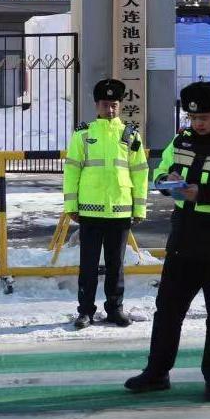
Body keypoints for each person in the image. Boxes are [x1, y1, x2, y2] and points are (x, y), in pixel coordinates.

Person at [125, 81, 210, 401]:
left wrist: (202, 193)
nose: (197, 123)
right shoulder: (181, 141)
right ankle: (157, 373)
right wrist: (167, 181)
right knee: (167, 310)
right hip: (185, 238)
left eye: (204, 118)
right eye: (193, 118)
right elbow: (160, 173)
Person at [63, 78, 148, 329]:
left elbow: (140, 172)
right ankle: (85, 311)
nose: (109, 109)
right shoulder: (83, 134)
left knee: (116, 266)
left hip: (120, 212)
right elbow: (72, 171)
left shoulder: (130, 135)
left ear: (119, 106)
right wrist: (71, 206)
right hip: (90, 212)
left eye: (114, 105)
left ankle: (115, 309)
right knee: (88, 266)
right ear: (96, 105)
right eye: (105, 104)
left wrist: (139, 208)